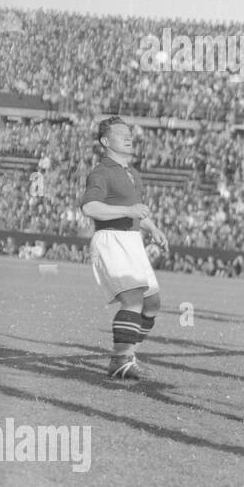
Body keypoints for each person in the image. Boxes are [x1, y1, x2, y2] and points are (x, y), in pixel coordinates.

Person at [80, 117, 170, 380]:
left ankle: (129, 355)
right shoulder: (101, 172)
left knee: (152, 303)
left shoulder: (133, 173)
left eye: (129, 132)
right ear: (106, 142)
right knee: (132, 299)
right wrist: (129, 210)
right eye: (121, 134)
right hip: (111, 239)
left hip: (132, 240)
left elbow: (135, 211)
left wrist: (152, 228)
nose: (128, 137)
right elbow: (90, 207)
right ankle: (120, 360)